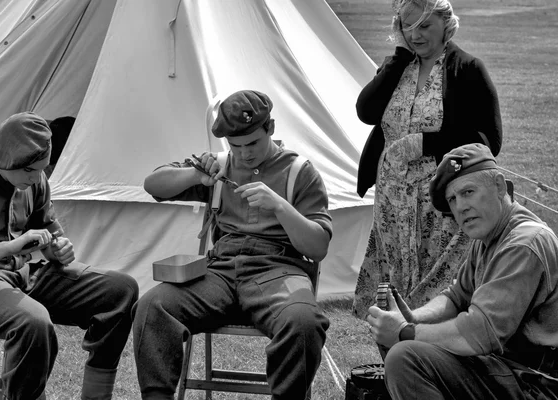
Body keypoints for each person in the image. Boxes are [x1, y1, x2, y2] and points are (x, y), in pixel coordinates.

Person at [133, 90, 332, 400]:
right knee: (153, 305)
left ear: (271, 128)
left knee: (304, 322)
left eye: (252, 143)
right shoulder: (220, 166)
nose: (245, 154)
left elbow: (318, 247)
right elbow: (152, 184)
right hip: (220, 274)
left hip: (277, 272)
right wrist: (195, 176)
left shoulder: (299, 172)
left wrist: (280, 207)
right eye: (235, 146)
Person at [0, 112, 139, 400]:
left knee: (120, 290)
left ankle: (96, 396)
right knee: (34, 322)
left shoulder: (34, 181)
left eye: (42, 169)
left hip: (22, 276)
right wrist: (11, 247)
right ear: (6, 158)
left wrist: (58, 250)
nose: (36, 177)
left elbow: (51, 233)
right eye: (30, 171)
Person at [367, 143, 558, 399]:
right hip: (508, 370)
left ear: (500, 186)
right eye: (452, 199)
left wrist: (404, 333)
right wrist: (413, 318)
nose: (460, 207)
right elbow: (457, 297)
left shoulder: (524, 243)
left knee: (406, 357)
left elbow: (481, 333)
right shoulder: (489, 237)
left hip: (537, 382)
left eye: (468, 192)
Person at [353, 0, 503, 317]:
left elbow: (490, 140)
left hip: (443, 203)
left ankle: (430, 363)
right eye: (407, 25)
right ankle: (395, 363)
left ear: (446, 24)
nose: (416, 34)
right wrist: (399, 56)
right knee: (390, 299)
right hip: (393, 204)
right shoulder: (397, 67)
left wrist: (426, 143)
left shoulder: (467, 68)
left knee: (438, 298)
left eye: (424, 25)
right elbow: (366, 112)